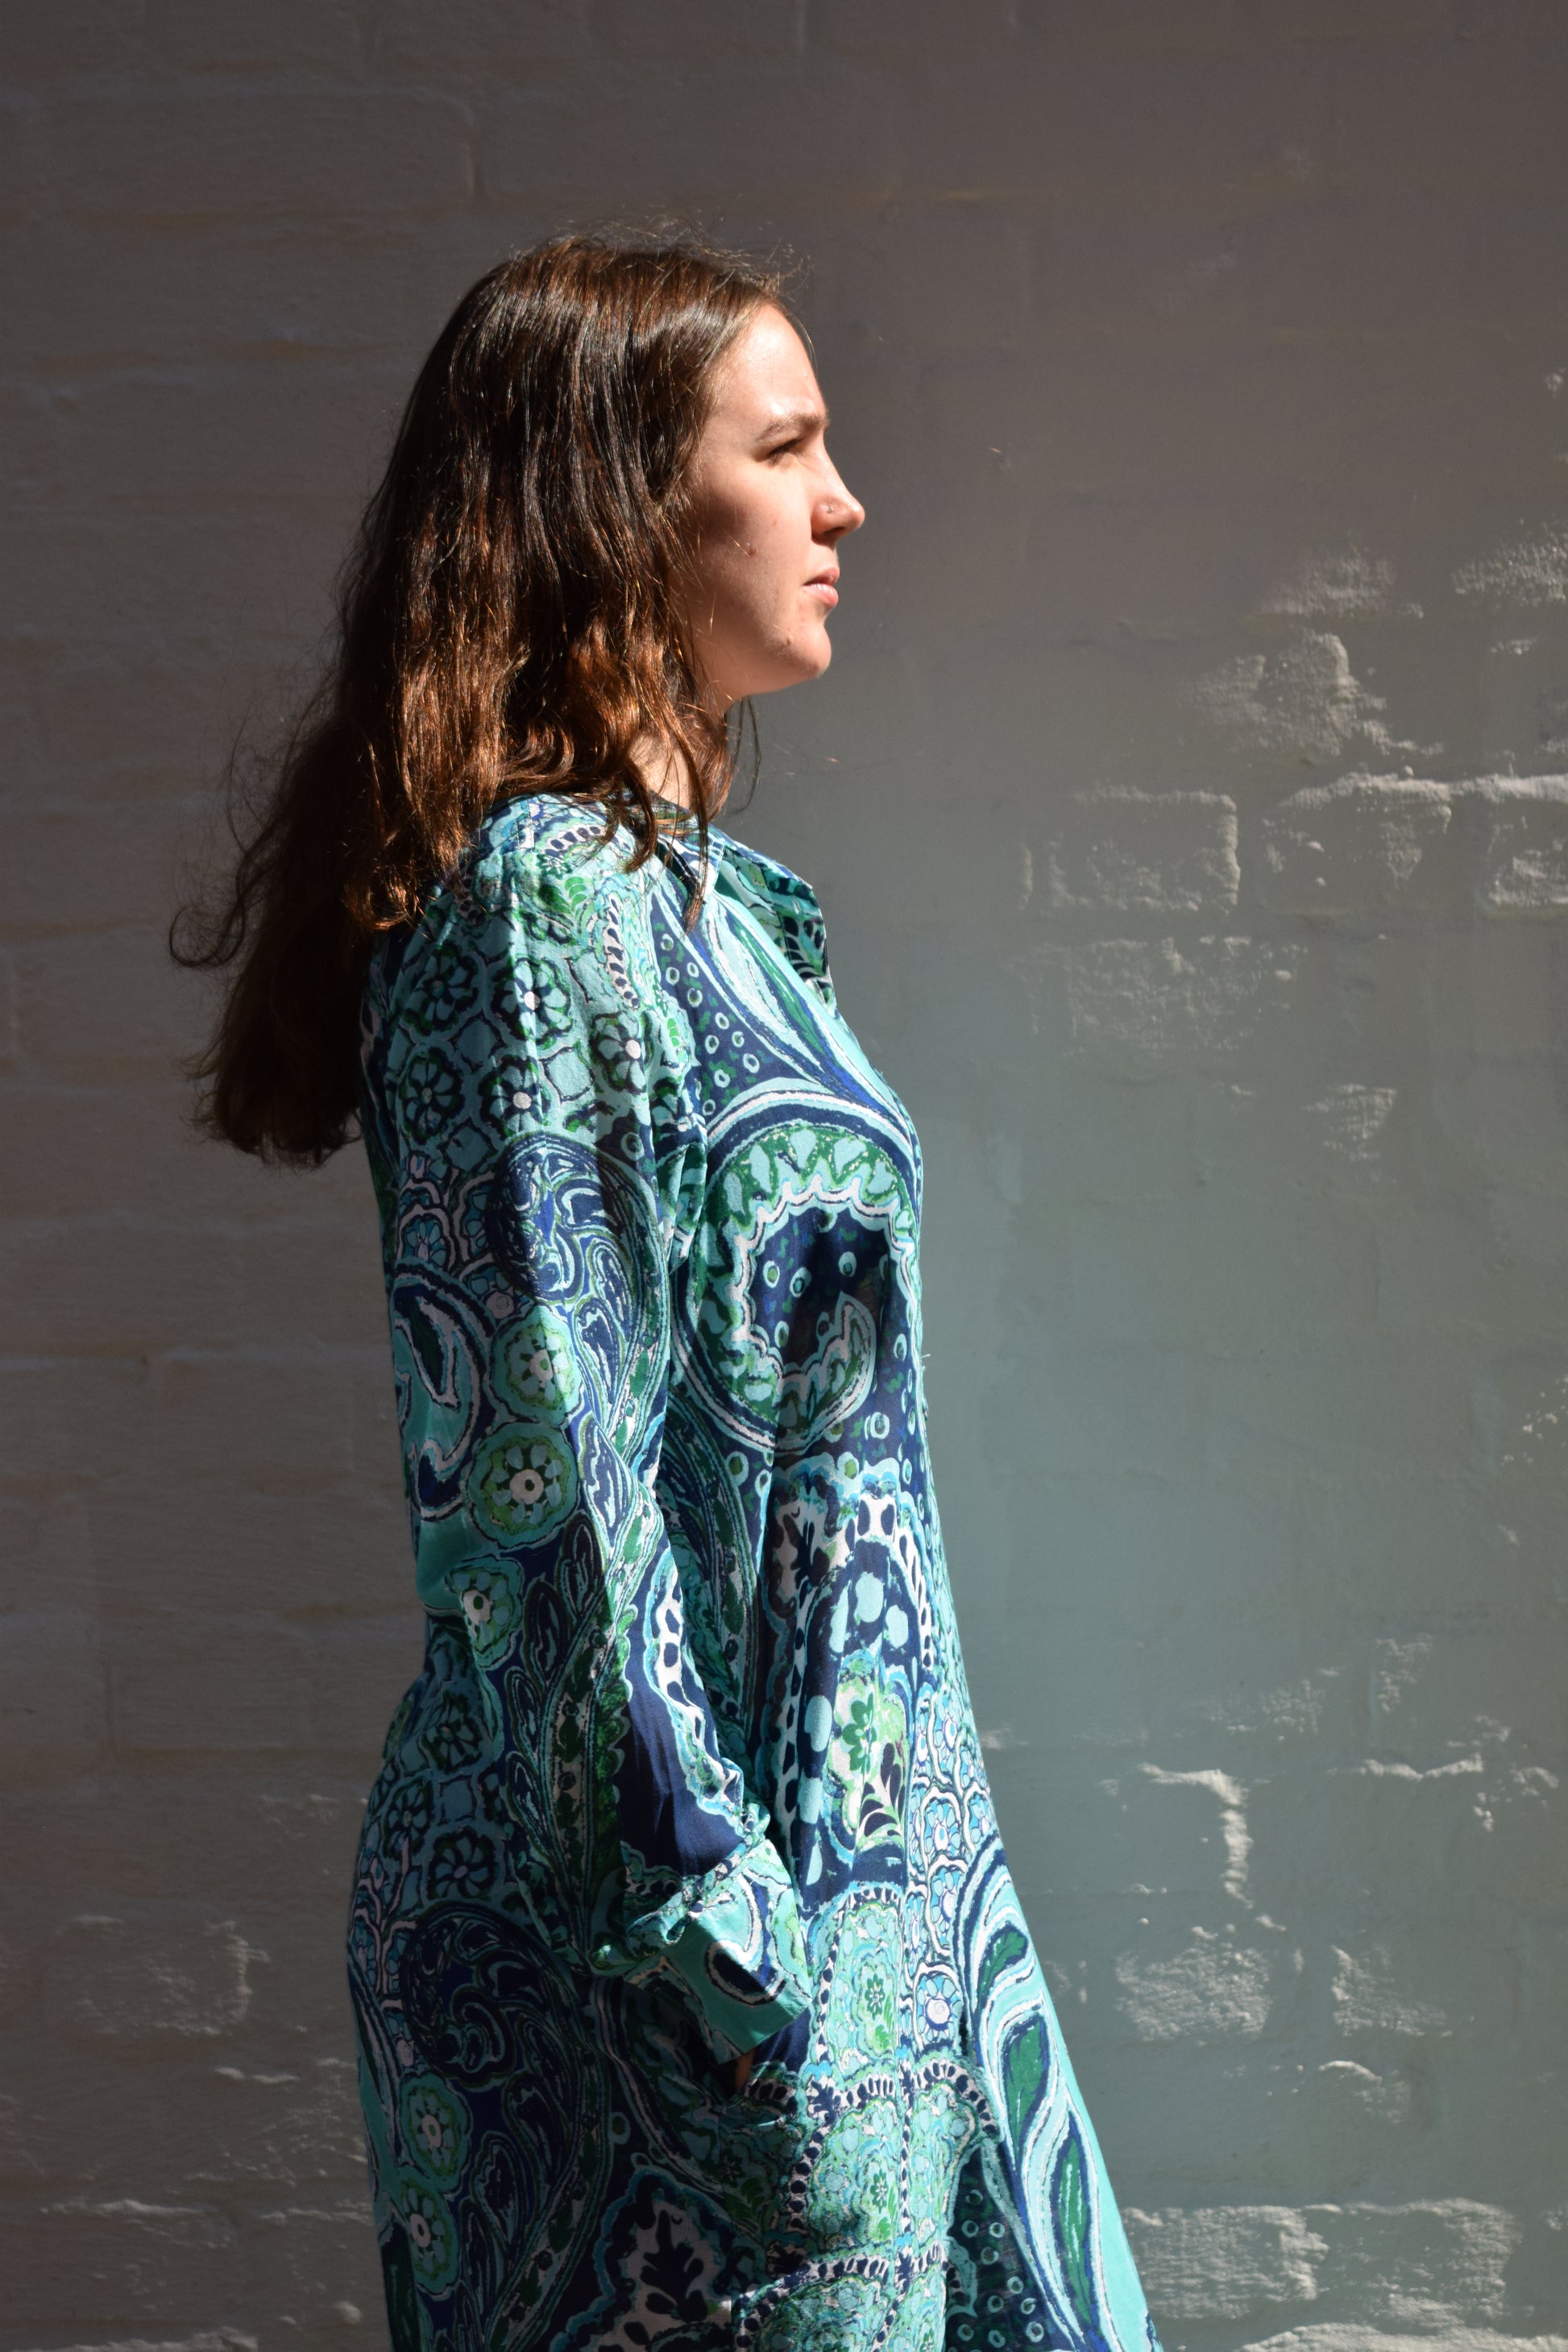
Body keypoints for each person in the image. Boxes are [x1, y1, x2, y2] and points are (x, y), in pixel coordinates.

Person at [177, 233, 1159, 2352]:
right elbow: (543, 1487)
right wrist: (731, 1972)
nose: (845, 502)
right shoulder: (546, 903)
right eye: (784, 448)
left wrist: (889, 1951)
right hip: (685, 1972)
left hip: (864, 1915)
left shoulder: (720, 908)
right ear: (614, 507)